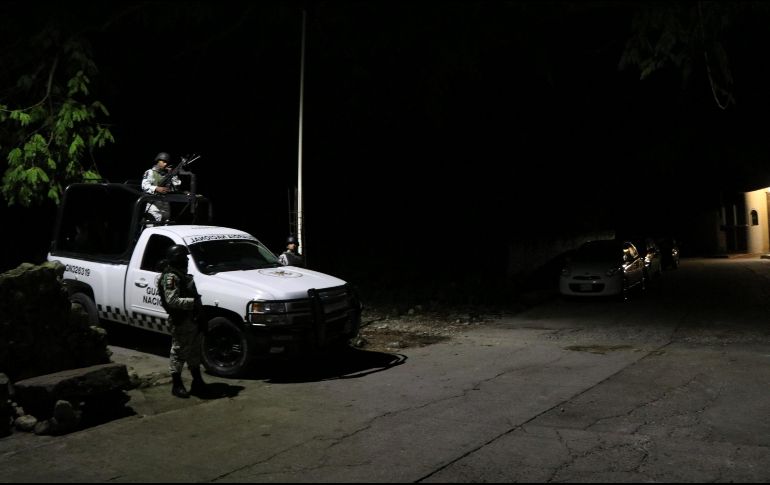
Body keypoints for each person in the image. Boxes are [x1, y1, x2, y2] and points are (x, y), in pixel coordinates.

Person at [158, 244, 208, 398]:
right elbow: (172, 300)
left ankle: (197, 381)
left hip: (192, 319)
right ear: (177, 259)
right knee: (179, 352)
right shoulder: (171, 277)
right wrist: (192, 302)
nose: (187, 260)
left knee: (195, 351)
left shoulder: (181, 274)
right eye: (184, 257)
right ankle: (177, 384)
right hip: (181, 320)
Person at [141, 152, 181, 223]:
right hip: (153, 204)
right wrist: (156, 188)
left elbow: (177, 185)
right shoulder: (150, 172)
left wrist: (173, 174)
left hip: (165, 204)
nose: (165, 164)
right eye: (164, 161)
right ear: (158, 160)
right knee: (152, 226)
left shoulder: (167, 174)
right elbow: (144, 186)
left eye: (167, 162)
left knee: (165, 227)